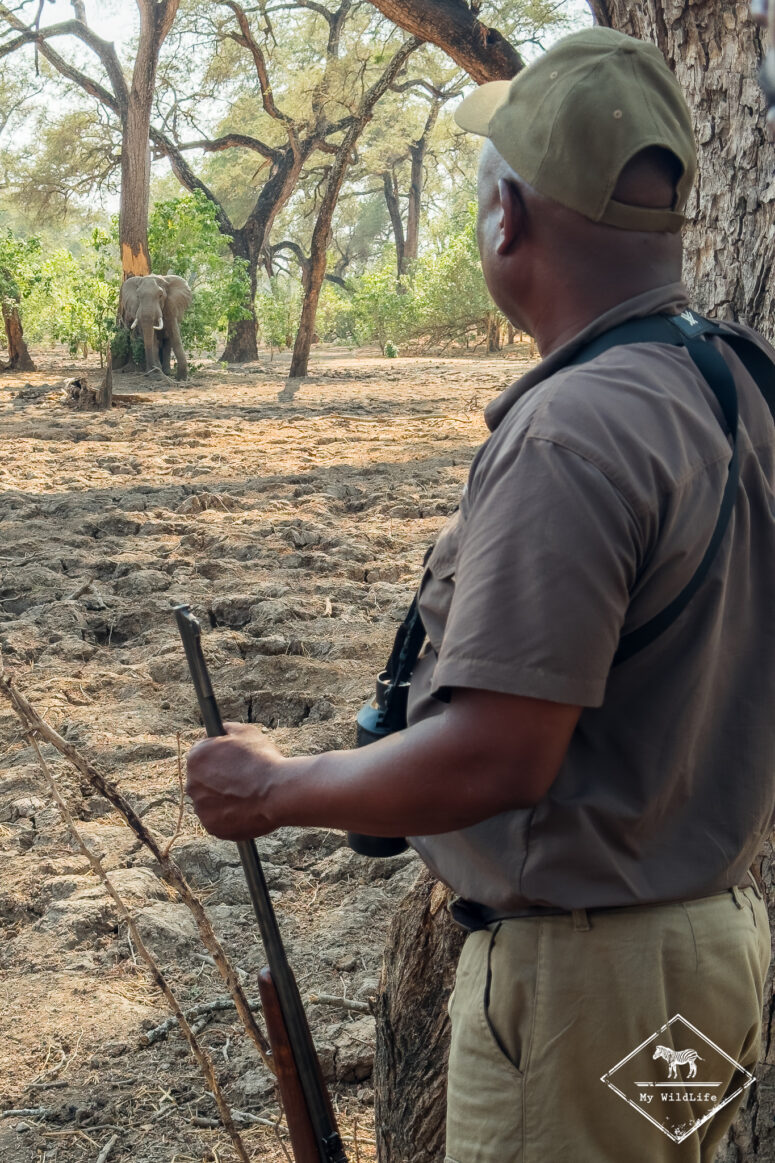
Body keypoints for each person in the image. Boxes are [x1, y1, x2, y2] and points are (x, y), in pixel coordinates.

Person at [185, 27, 775, 1163]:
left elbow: (498, 755)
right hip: (708, 958)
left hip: (584, 993)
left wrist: (271, 789)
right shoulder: (739, 381)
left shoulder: (572, 429)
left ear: (506, 216)